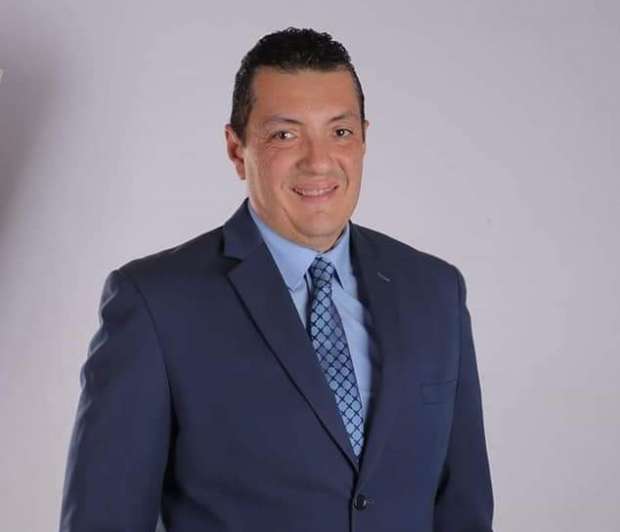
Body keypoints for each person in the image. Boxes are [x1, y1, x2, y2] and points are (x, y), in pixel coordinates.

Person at [59, 27, 494, 532]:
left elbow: (464, 509)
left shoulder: (435, 291)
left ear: (364, 139)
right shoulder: (156, 303)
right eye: (285, 135)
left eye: (340, 132)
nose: (318, 161)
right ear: (236, 149)